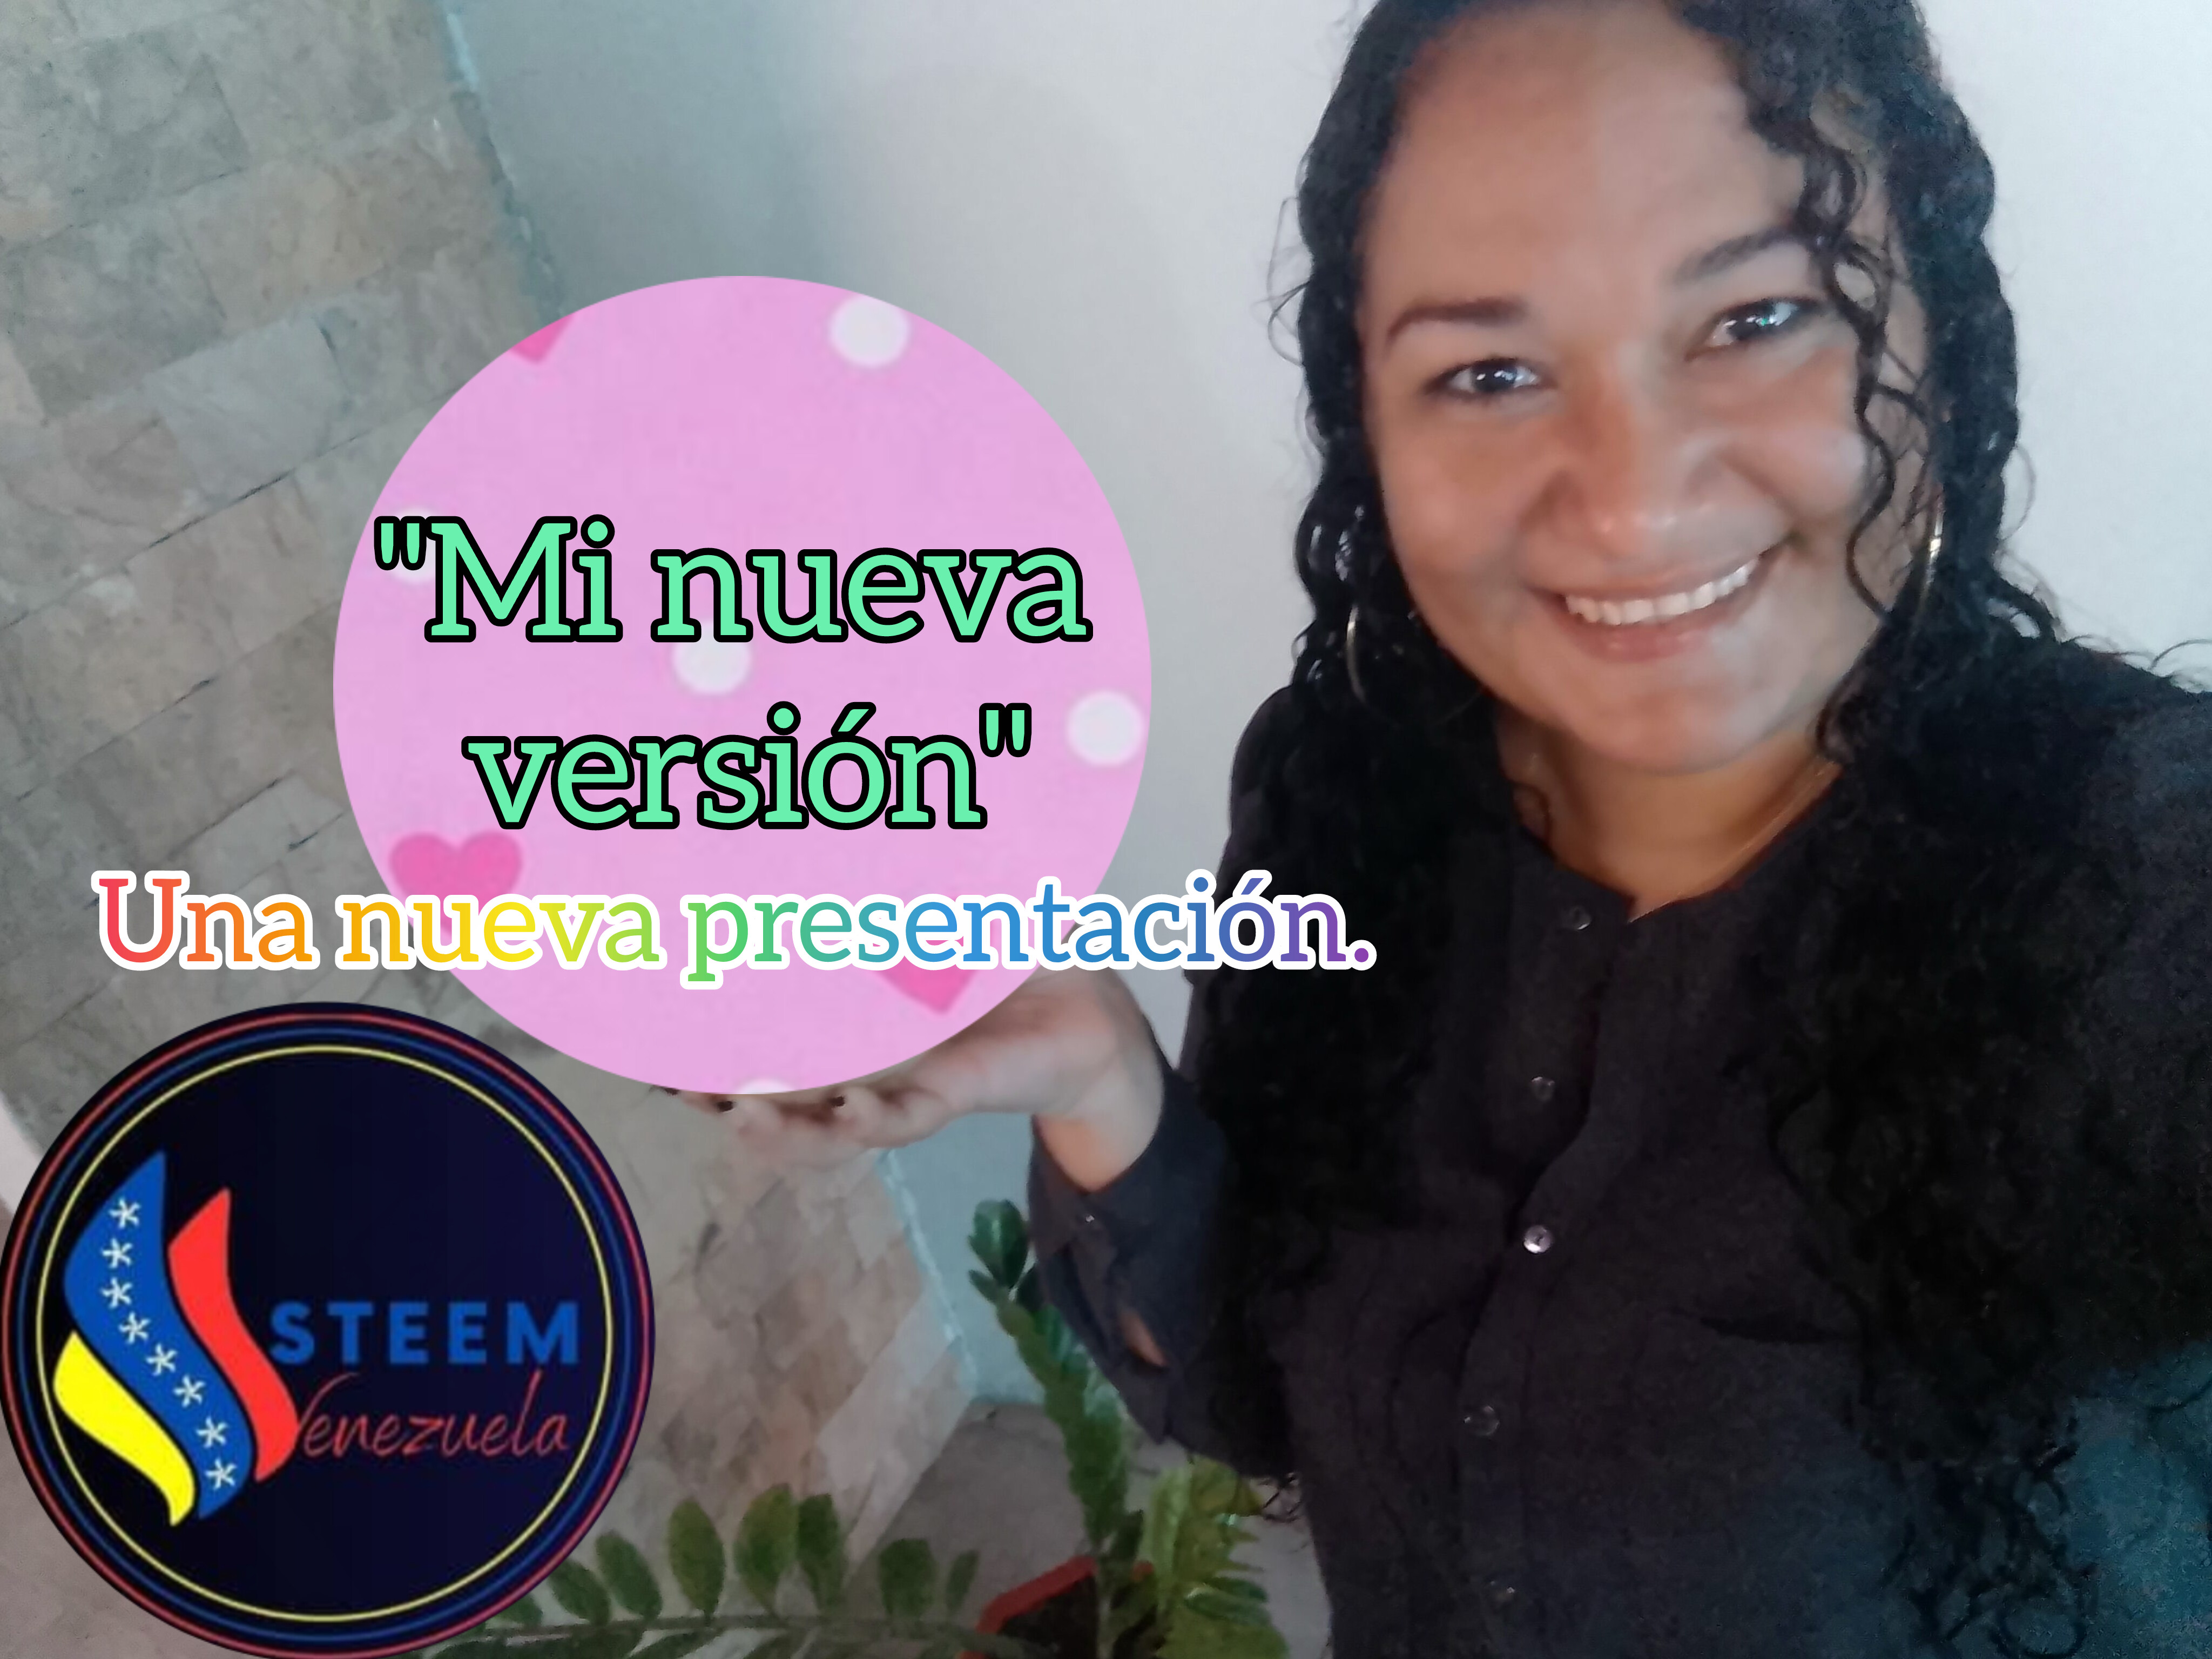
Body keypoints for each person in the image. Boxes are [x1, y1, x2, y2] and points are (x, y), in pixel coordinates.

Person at [685, 1, 2212, 1653]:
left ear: (1940, 332)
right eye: (1488, 372)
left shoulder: (2153, 877)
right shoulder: (1344, 793)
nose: (1631, 499)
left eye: (1757, 316)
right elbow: (1263, 1403)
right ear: (1371, 422)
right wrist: (1099, 1084)